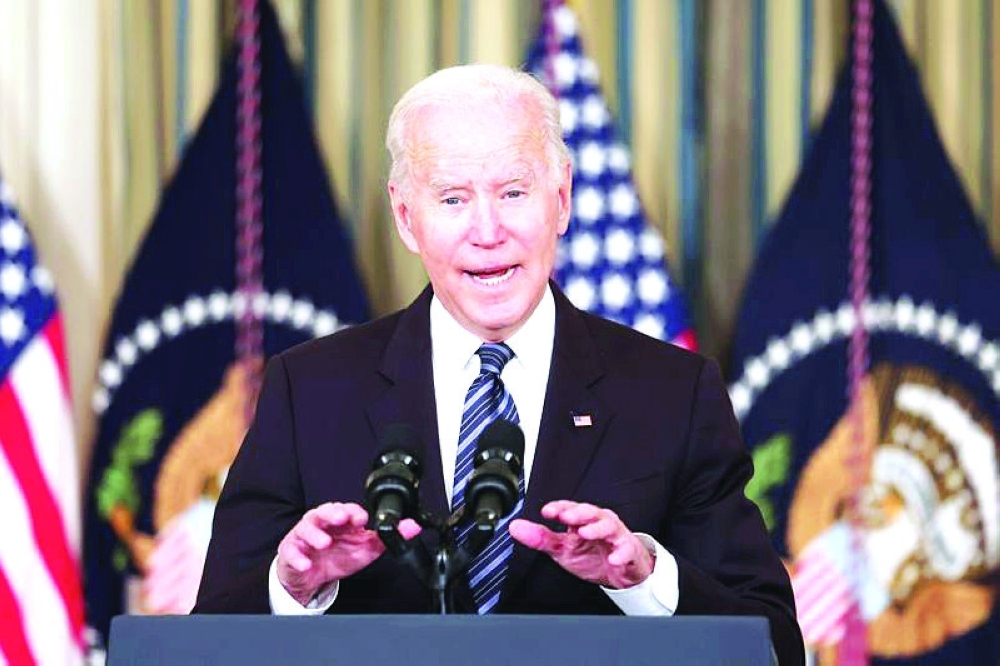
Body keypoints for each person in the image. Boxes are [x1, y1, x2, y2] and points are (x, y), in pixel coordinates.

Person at [194, 64, 804, 665]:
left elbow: (774, 644)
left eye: (513, 193)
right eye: (453, 198)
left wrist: (642, 576)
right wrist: (292, 588)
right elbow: (203, 645)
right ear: (407, 217)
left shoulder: (672, 392)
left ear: (560, 200)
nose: (487, 231)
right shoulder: (310, 390)